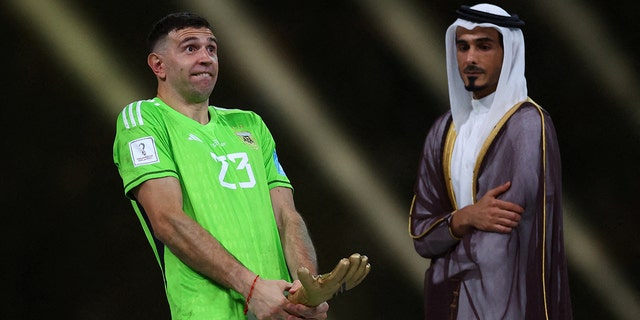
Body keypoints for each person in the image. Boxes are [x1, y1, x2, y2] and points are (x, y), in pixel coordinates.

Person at [112, 12, 329, 319]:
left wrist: (307, 287)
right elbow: (167, 219)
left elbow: (287, 215)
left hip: (280, 310)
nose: (206, 58)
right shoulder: (144, 120)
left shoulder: (249, 124)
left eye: (211, 49)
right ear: (158, 65)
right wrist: (251, 287)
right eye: (190, 48)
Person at [408, 3, 572, 319]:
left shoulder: (527, 125)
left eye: (483, 46)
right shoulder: (444, 130)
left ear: (507, 52)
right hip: (449, 303)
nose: (470, 58)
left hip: (511, 301)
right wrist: (465, 217)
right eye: (463, 46)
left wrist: (450, 236)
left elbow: (503, 232)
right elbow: (421, 234)